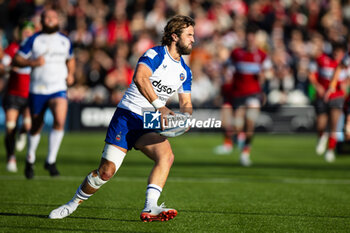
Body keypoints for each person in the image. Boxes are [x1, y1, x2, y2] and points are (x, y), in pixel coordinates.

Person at [48, 15, 195, 222]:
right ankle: (72, 204)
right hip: (127, 116)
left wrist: (185, 118)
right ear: (174, 36)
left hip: (149, 122)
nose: (193, 39)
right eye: (189, 35)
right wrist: (160, 107)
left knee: (166, 157)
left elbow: (186, 104)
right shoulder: (155, 54)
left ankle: (150, 206)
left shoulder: (185, 72)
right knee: (106, 172)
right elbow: (140, 78)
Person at [13, 9, 75, 178]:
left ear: (58, 20)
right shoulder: (34, 39)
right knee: (36, 126)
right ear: (41, 20)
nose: (50, 20)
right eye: (47, 17)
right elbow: (17, 59)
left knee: (60, 120)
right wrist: (32, 62)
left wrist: (71, 74)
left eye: (53, 17)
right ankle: (30, 159)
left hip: (58, 87)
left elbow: (71, 58)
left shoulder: (65, 40)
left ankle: (51, 161)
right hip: (38, 89)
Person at [228, 24, 272, 166]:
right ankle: (239, 140)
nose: (250, 41)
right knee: (237, 125)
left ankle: (245, 153)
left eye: (253, 39)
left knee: (250, 123)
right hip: (239, 93)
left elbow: (269, 73)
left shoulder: (262, 55)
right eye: (249, 39)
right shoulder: (236, 53)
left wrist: (263, 77)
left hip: (254, 94)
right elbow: (227, 68)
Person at [0, 21, 35, 172]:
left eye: (29, 31)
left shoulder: (35, 50)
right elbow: (4, 67)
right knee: (9, 127)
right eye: (25, 31)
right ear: (20, 32)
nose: (27, 33)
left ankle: (22, 133)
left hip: (29, 94)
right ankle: (11, 157)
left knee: (28, 125)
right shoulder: (13, 48)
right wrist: (8, 68)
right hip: (13, 94)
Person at [316, 42, 349, 162]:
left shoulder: (345, 64)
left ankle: (330, 150)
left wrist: (345, 86)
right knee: (321, 124)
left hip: (338, 97)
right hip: (324, 97)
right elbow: (313, 75)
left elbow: (346, 79)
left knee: (335, 125)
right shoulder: (323, 60)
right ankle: (322, 136)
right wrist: (325, 87)